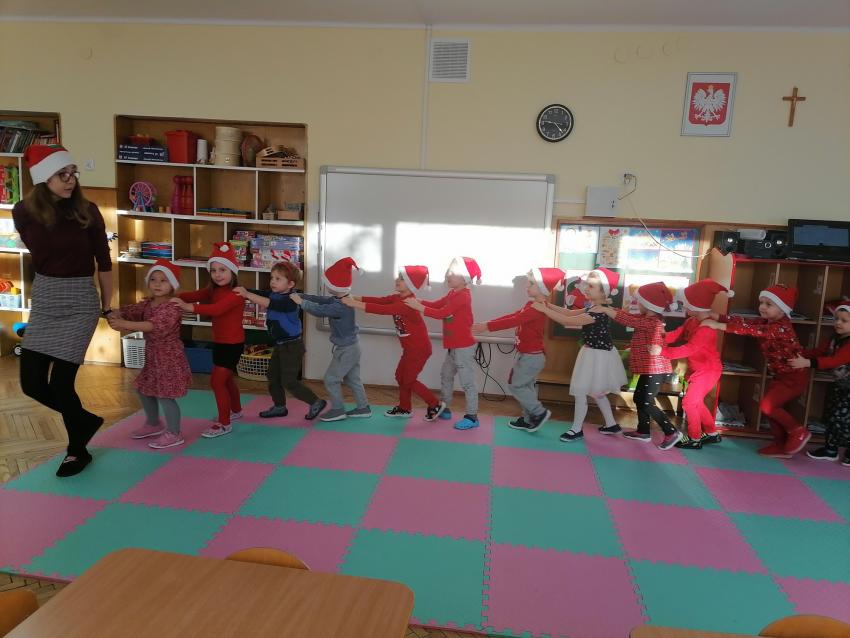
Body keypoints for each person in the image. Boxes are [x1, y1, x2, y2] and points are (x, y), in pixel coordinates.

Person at [13, 144, 113, 476]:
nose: (71, 180)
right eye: (62, 174)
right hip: (46, 298)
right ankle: (84, 420)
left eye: (73, 173)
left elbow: (104, 263)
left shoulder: (87, 211)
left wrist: (107, 306)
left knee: (61, 384)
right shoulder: (23, 212)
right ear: (44, 178)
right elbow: (41, 255)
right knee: (31, 383)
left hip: (80, 300)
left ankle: (77, 450)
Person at [702, 284, 808, 457]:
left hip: (794, 377)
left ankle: (797, 430)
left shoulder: (780, 327)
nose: (762, 307)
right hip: (780, 375)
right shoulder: (767, 321)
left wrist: (718, 325)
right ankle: (780, 443)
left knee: (768, 406)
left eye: (769, 304)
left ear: (783, 309)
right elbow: (745, 322)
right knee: (769, 408)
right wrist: (718, 317)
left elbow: (750, 329)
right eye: (762, 303)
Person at [107, 260, 192, 448]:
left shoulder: (172, 307)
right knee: (143, 388)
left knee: (165, 394)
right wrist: (116, 313)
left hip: (169, 358)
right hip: (152, 357)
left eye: (163, 280)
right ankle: (153, 424)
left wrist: (125, 324)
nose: (157, 284)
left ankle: (174, 433)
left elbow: (153, 326)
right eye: (153, 279)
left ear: (172, 285)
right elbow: (131, 311)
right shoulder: (148, 303)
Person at [536, 267, 627, 441]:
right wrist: (547, 305)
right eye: (587, 285)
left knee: (581, 391)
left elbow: (567, 320)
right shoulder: (594, 307)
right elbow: (569, 312)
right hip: (595, 354)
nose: (586, 288)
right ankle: (611, 424)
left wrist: (544, 310)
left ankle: (576, 429)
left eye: (591, 286)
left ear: (603, 291)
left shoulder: (598, 313)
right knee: (598, 392)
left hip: (597, 356)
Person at [343, 265, 444, 419]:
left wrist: (353, 304)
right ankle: (404, 408)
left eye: (402, 279)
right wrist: (354, 297)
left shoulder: (408, 303)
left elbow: (382, 310)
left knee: (408, 380)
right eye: (398, 277)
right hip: (410, 349)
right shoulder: (398, 298)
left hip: (419, 349)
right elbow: (380, 301)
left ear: (411, 284)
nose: (397, 280)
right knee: (400, 376)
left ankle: (434, 404)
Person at [592, 281, 682, 450]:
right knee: (639, 398)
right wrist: (611, 309)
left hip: (656, 370)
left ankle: (671, 431)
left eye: (639, 302)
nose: (637, 305)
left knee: (646, 401)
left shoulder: (654, 322)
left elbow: (630, 321)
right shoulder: (646, 318)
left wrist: (606, 310)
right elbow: (630, 317)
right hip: (649, 369)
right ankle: (643, 431)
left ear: (648, 305)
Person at [233, 260, 326, 420]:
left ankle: (315, 402)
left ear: (290, 284)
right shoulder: (274, 294)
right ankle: (279, 406)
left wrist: (247, 295)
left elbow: (270, 303)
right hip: (280, 345)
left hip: (292, 346)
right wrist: (244, 290)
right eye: (272, 278)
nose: (273, 282)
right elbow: (262, 294)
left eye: (278, 279)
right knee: (273, 376)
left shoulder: (290, 300)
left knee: (289, 381)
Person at [473, 267, 563, 432]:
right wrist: (487, 324)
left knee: (516, 386)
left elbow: (514, 320)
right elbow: (512, 316)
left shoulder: (537, 308)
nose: (526, 286)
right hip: (529, 355)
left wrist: (487, 326)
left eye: (531, 283)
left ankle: (539, 412)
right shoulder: (531, 305)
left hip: (532, 357)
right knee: (526, 387)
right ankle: (529, 419)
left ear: (542, 288)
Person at [170, 242, 244, 438]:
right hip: (220, 343)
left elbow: (216, 310)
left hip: (232, 345)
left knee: (217, 382)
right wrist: (173, 296)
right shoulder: (213, 290)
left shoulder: (237, 293)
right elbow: (195, 295)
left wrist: (188, 307)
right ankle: (236, 411)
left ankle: (224, 424)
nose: (217, 275)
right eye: (213, 270)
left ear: (233, 271)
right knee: (227, 380)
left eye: (222, 270)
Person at [405, 256, 481, 430]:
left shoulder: (463, 296)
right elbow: (437, 305)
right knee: (446, 375)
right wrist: (419, 302)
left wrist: (419, 307)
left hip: (464, 348)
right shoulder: (453, 293)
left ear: (465, 278)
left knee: (467, 382)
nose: (448, 275)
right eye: (448, 271)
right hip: (454, 347)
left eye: (453, 272)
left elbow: (442, 313)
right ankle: (444, 407)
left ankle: (472, 416)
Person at [291, 257, 371, 422]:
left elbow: (320, 310)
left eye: (327, 282)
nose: (325, 285)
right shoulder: (341, 298)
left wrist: (301, 302)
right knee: (352, 379)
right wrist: (303, 296)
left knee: (331, 379)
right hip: (352, 346)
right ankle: (363, 408)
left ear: (335, 285)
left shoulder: (341, 305)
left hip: (347, 349)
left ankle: (338, 410)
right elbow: (321, 300)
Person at [661, 279, 728, 449]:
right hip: (700, 370)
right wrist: (661, 337)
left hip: (708, 371)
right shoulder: (691, 321)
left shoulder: (706, 328)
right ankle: (711, 433)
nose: (683, 305)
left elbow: (689, 349)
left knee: (689, 403)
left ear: (696, 305)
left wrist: (663, 352)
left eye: (686, 302)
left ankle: (694, 438)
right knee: (696, 402)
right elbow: (677, 334)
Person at [790, 304, 850, 465]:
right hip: (839, 385)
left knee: (842, 419)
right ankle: (830, 449)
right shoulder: (833, 338)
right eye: (836, 319)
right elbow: (818, 352)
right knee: (831, 417)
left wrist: (808, 362)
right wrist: (798, 353)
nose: (838, 323)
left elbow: (835, 360)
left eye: (844, 320)